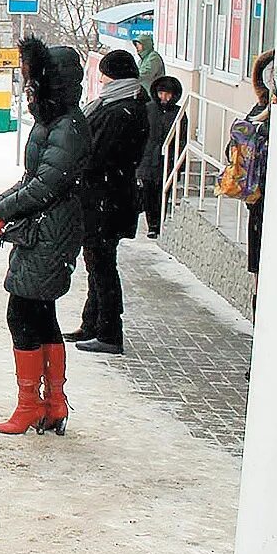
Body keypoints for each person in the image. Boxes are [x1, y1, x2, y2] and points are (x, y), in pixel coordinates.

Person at [0, 37, 90, 436]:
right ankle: (52, 403)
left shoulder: (67, 127)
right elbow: (35, 178)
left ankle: (31, 405)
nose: (28, 88)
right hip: (46, 229)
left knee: (24, 314)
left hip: (52, 230)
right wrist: (1, 203)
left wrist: (5, 209)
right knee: (41, 314)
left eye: (34, 81)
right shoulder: (57, 122)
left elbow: (47, 184)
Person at [66, 50, 149, 354]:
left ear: (113, 76)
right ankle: (92, 324)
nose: (100, 79)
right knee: (97, 264)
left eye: (103, 73)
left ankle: (109, 333)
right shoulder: (125, 105)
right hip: (108, 198)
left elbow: (97, 156)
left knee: (102, 267)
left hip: (107, 200)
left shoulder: (120, 111)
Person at [136, 75, 186, 238]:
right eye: (161, 93)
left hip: (168, 159)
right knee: (148, 192)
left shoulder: (179, 114)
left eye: (167, 94)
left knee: (162, 192)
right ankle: (152, 225)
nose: (164, 97)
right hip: (148, 157)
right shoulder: (148, 109)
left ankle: (160, 223)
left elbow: (182, 139)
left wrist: (180, 163)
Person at [246, 49, 276, 311]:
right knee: (260, 265)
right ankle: (260, 311)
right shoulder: (260, 111)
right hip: (261, 198)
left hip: (270, 199)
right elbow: (238, 148)